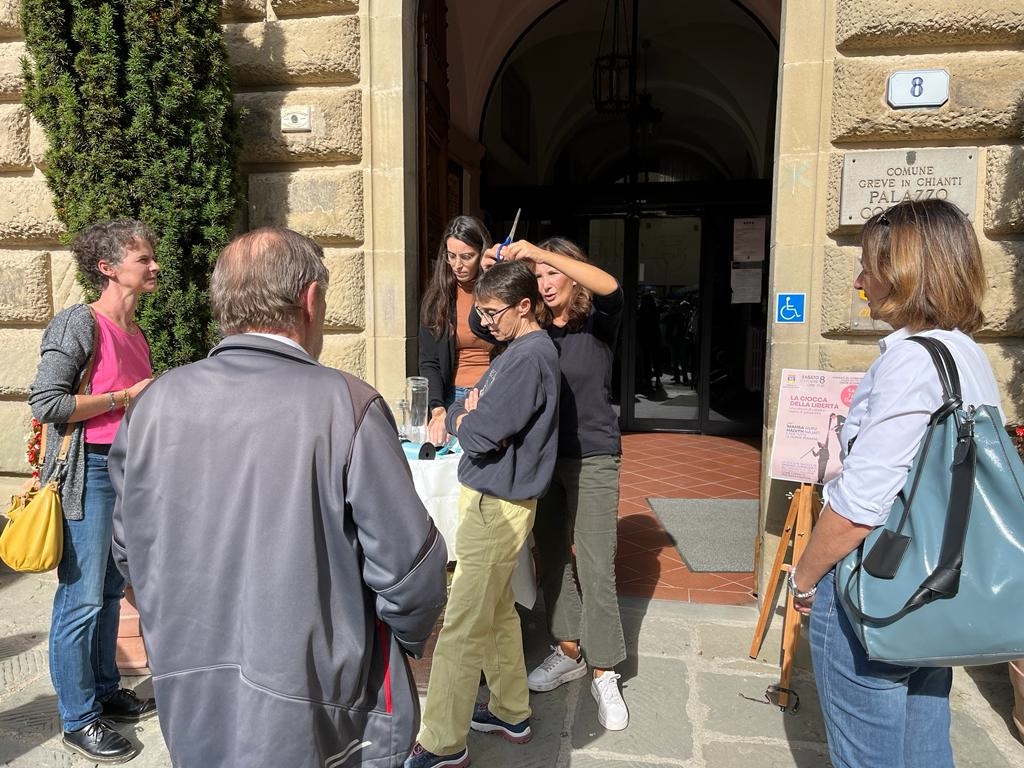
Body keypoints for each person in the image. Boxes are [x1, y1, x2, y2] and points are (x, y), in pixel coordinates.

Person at [108, 227, 449, 768]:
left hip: (192, 691)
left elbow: (128, 549)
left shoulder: (153, 404)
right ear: (310, 300)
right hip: (324, 710)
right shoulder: (346, 403)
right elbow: (410, 572)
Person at [789, 199, 1003, 768]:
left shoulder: (909, 362)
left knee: (869, 753)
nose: (860, 281)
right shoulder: (966, 354)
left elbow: (861, 504)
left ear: (906, 271)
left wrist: (805, 579)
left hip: (876, 582)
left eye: (868, 267)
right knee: (925, 734)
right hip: (933, 575)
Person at [407, 260, 560, 768]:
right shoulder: (518, 351)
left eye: (494, 313)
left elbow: (474, 431)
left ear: (524, 306)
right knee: (494, 614)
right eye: (482, 312)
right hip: (494, 498)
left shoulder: (528, 358)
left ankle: (441, 743)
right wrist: (465, 412)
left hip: (498, 503)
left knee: (462, 625)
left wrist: (465, 416)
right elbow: (465, 415)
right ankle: (511, 711)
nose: (486, 322)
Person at [482, 237, 630, 731]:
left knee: (594, 562)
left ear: (572, 274)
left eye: (552, 274)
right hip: (542, 457)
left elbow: (610, 288)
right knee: (550, 558)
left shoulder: (596, 323)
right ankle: (568, 649)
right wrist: (494, 270)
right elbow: (476, 323)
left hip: (593, 456)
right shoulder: (532, 330)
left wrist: (538, 251)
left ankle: (605, 669)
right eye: (538, 275)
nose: (545, 284)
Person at [28, 219, 160, 763]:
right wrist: (123, 398)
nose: (154, 267)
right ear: (107, 268)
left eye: (153, 259)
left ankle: (106, 691)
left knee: (108, 592)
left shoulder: (135, 332)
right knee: (80, 599)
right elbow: (46, 402)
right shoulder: (78, 324)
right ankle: (78, 718)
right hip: (91, 472)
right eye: (143, 260)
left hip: (127, 471)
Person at [419, 215, 495, 445]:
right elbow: (429, 361)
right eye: (451, 256)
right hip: (453, 396)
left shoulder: (499, 292)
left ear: (483, 253)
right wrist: (438, 408)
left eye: (467, 256)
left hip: (492, 392)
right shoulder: (437, 298)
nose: (458, 265)